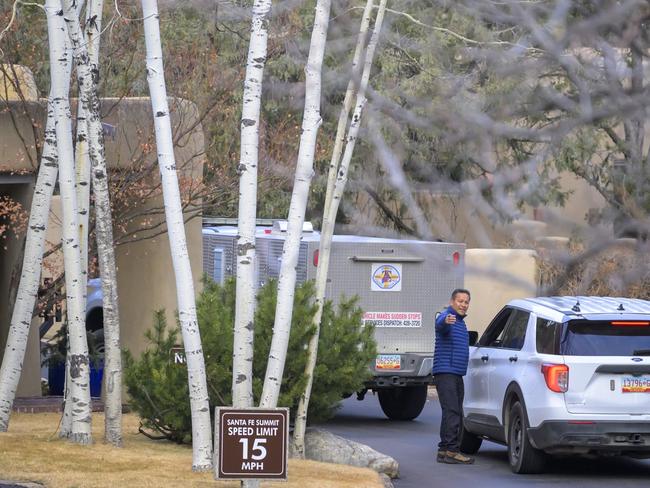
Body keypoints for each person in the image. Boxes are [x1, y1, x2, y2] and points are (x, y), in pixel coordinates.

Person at [432, 288, 475, 465]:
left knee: (450, 411)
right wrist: (446, 320)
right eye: (460, 301)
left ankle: (444, 450)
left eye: (466, 302)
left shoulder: (460, 322)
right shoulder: (448, 317)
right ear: (452, 302)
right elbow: (440, 323)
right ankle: (452, 451)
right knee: (453, 411)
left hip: (455, 373)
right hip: (446, 372)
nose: (464, 305)